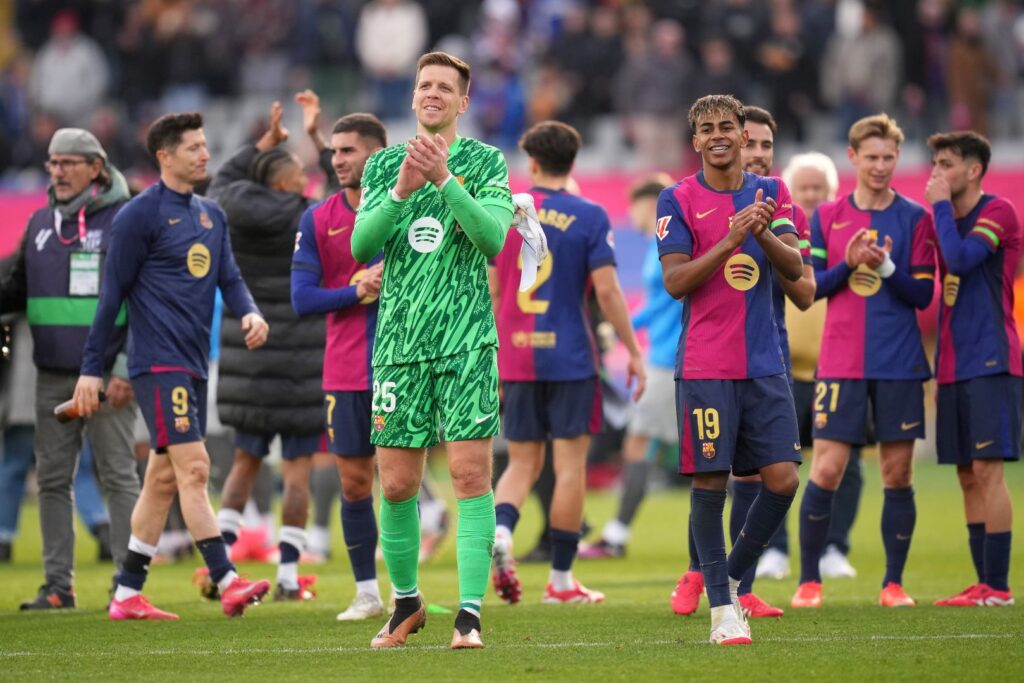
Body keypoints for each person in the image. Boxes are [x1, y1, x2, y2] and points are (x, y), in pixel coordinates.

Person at [73, 112, 272, 620]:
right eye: (194, 148)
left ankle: (126, 593)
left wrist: (249, 311)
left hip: (193, 362)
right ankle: (226, 578)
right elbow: (112, 296)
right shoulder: (138, 216)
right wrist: (92, 368)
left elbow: (229, 276)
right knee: (197, 467)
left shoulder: (212, 214)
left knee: (162, 480)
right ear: (164, 156)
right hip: (158, 362)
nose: (205, 154)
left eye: (206, 146)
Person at [351, 51, 514, 649]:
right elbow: (361, 246)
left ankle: (469, 613)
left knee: (471, 476)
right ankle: (407, 604)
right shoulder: (382, 165)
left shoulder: (484, 160)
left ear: (463, 102)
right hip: (399, 343)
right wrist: (401, 187)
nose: (433, 93)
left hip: (467, 341)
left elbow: (493, 238)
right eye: (425, 85)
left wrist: (444, 180)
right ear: (413, 95)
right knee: (395, 484)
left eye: (446, 87)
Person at [658, 94, 803, 645]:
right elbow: (676, 282)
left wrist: (761, 230)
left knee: (784, 479)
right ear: (695, 141)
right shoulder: (677, 198)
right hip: (705, 365)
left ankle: (733, 576)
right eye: (707, 128)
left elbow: (795, 270)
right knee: (711, 483)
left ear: (744, 135)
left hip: (764, 363)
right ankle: (722, 610)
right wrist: (731, 239)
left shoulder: (774, 193)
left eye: (727, 126)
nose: (718, 135)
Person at [489, 121, 645, 606]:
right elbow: (606, 290)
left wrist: (492, 351)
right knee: (569, 466)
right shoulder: (591, 215)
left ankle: (501, 532)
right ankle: (560, 581)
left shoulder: (507, 214)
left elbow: (494, 291)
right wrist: (632, 351)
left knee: (521, 461)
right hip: (571, 356)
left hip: (516, 352)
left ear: (531, 163)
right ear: (573, 162)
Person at [792, 113, 936, 610]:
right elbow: (811, 291)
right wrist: (849, 264)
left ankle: (893, 584)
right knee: (826, 468)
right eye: (871, 157)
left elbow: (921, 294)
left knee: (898, 473)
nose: (880, 165)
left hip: (898, 362)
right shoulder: (827, 216)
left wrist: (886, 266)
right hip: (841, 362)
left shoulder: (916, 218)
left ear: (898, 159)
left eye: (888, 157)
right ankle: (809, 579)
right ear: (852, 158)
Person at [0, 128, 140, 610]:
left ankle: (127, 584)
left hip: (107, 373)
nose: (57, 171)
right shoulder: (40, 222)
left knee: (118, 474)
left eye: (68, 162)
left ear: (96, 168)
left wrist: (123, 365)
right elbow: (15, 291)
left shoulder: (125, 220)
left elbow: (142, 300)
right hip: (54, 372)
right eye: (52, 163)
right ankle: (58, 586)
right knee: (53, 479)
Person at [199, 100, 324, 602]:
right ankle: (290, 577)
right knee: (296, 472)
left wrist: (264, 144)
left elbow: (224, 175)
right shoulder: (309, 216)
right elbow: (353, 195)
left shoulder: (229, 206)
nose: (307, 181)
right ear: (283, 185)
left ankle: (221, 570)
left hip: (248, 354)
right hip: (301, 359)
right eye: (299, 175)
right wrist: (315, 137)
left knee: (244, 465)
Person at [292, 111, 388, 620]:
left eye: (348, 150)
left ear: (376, 154)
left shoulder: (411, 208)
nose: (338, 159)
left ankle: (407, 588)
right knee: (355, 483)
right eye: (333, 151)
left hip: (403, 365)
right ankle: (368, 592)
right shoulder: (319, 218)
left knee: (399, 482)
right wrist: (357, 288)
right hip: (347, 371)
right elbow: (302, 298)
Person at [758, 152, 862, 582]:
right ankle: (775, 549)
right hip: (784, 371)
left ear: (833, 193)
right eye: (805, 188)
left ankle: (834, 546)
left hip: (835, 369)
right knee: (773, 463)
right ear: (790, 193)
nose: (813, 195)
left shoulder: (846, 240)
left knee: (845, 465)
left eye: (820, 188)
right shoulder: (777, 237)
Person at [926, 131, 1020, 607]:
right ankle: (982, 581)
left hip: (990, 358)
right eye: (935, 164)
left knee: (987, 469)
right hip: (951, 364)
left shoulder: (999, 212)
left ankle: (999, 588)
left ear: (974, 170)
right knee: (965, 473)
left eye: (946, 164)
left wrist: (939, 206)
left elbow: (961, 261)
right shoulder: (945, 221)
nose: (936, 173)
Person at [580, 174, 678, 561]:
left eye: (635, 204)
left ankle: (616, 536)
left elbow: (666, 303)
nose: (632, 213)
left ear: (651, 204)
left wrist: (626, 329)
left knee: (639, 443)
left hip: (669, 359)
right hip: (667, 356)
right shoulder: (664, 246)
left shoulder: (667, 245)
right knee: (713, 454)